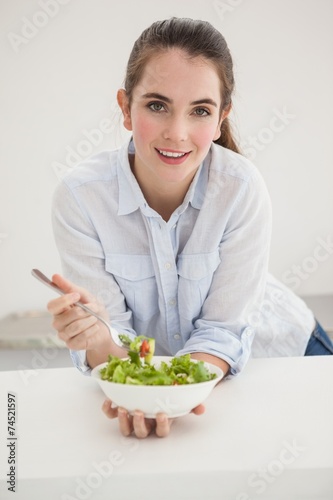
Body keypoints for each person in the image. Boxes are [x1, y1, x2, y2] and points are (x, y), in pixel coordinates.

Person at [47, 17, 333, 439]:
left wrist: (167, 393)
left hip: (286, 355)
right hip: (193, 384)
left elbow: (222, 330)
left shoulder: (241, 188)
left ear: (221, 119)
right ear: (126, 108)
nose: (177, 134)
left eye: (200, 111)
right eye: (157, 105)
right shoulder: (80, 197)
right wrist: (113, 360)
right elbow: (113, 337)